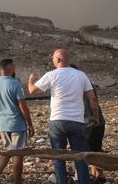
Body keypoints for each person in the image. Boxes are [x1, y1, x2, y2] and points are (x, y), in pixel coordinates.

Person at [28, 49, 100, 184]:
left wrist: (31, 80)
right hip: (77, 121)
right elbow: (93, 99)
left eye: (53, 58)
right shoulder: (81, 75)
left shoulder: (52, 75)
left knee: (58, 157)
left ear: (58, 59)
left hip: (58, 120)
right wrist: (95, 117)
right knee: (80, 157)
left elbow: (32, 91)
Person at [0, 59, 35, 184]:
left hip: (3, 123)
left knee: (8, 151)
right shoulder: (15, 84)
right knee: (18, 154)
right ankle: (17, 182)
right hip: (17, 123)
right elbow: (22, 106)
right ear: (11, 68)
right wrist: (30, 124)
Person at [71, 64, 107, 184]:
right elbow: (94, 101)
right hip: (97, 122)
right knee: (96, 151)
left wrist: (94, 118)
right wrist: (97, 118)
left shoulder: (74, 84)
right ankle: (99, 177)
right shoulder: (86, 81)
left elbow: (92, 102)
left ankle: (80, 178)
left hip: (86, 123)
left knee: (80, 152)